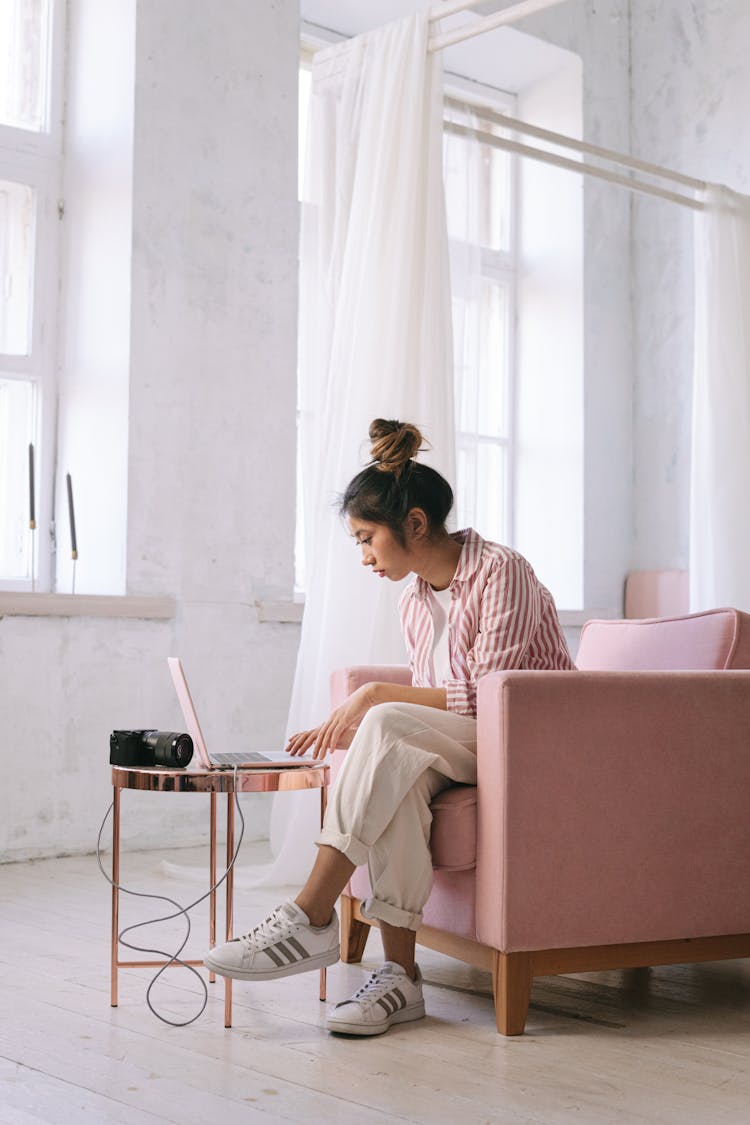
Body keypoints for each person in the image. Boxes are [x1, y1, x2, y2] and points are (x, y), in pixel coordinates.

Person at [204, 418, 576, 1036]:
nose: (364, 554)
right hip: (473, 744)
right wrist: (379, 716)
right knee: (396, 772)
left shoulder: (502, 571)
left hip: (534, 740)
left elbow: (493, 699)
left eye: (366, 537)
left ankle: (310, 913)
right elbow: (446, 708)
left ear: (416, 524)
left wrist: (379, 697)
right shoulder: (413, 600)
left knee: (387, 723)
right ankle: (402, 980)